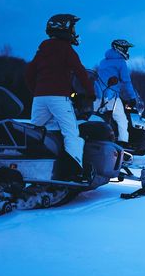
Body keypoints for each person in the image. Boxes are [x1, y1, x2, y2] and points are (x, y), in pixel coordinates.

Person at [24, 14, 95, 180]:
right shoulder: (65, 49)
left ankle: (34, 166)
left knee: (36, 133)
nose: (74, 31)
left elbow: (29, 73)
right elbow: (80, 72)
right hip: (58, 99)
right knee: (71, 134)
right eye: (73, 28)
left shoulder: (43, 47)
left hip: (40, 99)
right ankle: (75, 172)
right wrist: (90, 93)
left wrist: (36, 91)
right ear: (64, 28)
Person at [95, 39, 139, 144]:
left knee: (99, 119)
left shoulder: (103, 62)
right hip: (112, 97)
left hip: (98, 96)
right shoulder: (121, 62)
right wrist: (132, 97)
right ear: (119, 49)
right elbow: (126, 81)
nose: (127, 51)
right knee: (122, 121)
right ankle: (123, 146)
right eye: (126, 49)